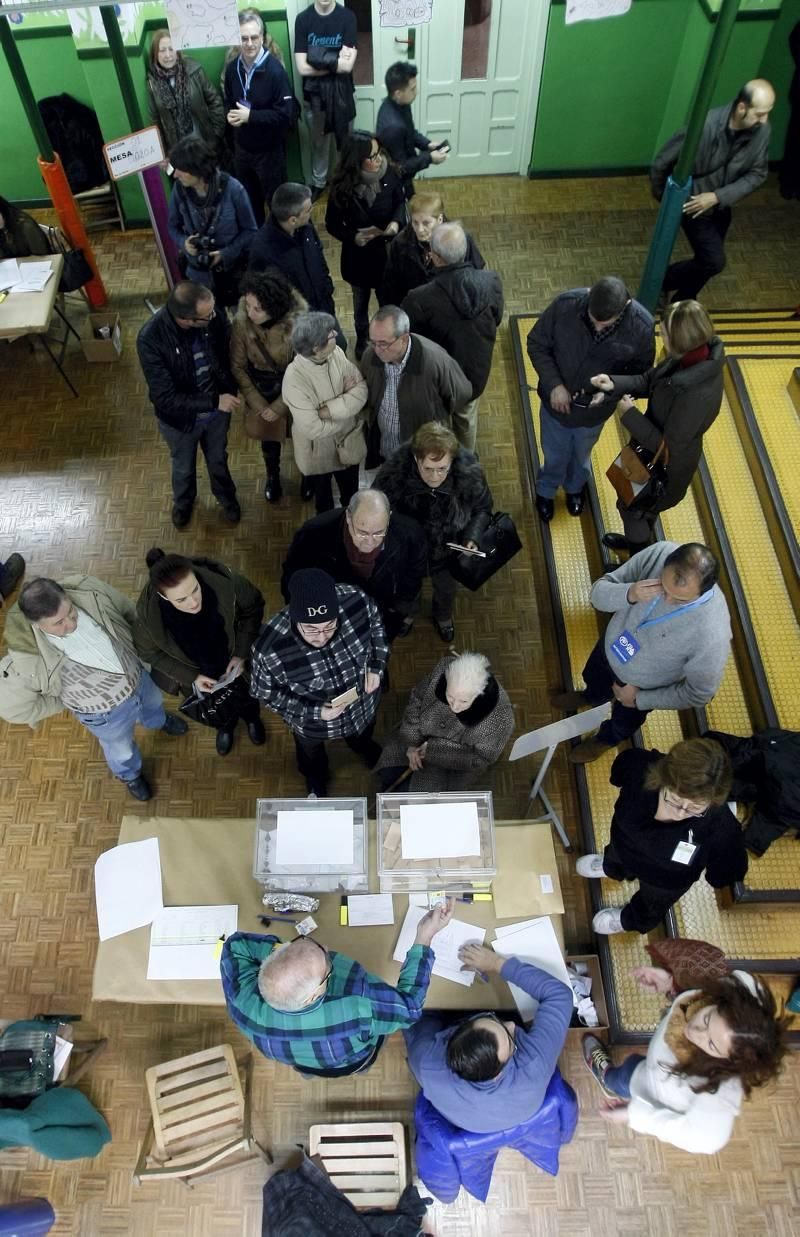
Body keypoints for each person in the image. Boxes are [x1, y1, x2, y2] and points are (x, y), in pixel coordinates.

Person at [0, 576, 187, 800]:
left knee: (154, 704)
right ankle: (130, 775)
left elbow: (128, 611)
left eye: (70, 612)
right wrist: (67, 701)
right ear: (36, 625)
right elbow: (15, 709)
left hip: (139, 679)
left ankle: (159, 721)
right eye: (58, 623)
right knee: (121, 750)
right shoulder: (25, 658)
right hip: (104, 715)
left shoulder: (90, 591)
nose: (71, 623)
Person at [220, 900, 454, 1077]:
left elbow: (235, 945)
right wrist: (424, 936)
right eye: (327, 966)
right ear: (313, 995)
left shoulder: (242, 1003)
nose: (327, 946)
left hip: (304, 1063)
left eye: (305, 944)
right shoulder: (359, 1006)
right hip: (350, 1061)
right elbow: (410, 1007)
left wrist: (284, 958)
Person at [551, 542, 732, 764]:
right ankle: (590, 696)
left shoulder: (712, 633)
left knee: (623, 723)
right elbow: (598, 593)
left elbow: (700, 693)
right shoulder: (660, 553)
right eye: (662, 587)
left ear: (702, 593)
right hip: (609, 648)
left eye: (679, 599)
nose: (666, 600)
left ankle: (606, 740)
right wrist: (629, 592)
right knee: (594, 679)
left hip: (640, 689)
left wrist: (640, 698)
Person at [583, 966, 786, 1154]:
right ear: (720, 1002)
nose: (696, 1032)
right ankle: (615, 1078)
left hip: (651, 1088)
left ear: (729, 1061)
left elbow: (705, 1140)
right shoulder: (735, 992)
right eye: (706, 1019)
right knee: (631, 1066)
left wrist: (634, 1115)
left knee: (621, 1078)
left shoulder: (717, 1091)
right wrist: (672, 987)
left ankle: (607, 1078)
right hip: (649, 1068)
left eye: (711, 1044)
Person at [591, 299, 724, 555]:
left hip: (665, 468)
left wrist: (629, 414)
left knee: (633, 509)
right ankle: (637, 541)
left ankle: (638, 556)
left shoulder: (694, 393)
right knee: (638, 507)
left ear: (681, 339)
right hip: (648, 453)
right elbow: (649, 380)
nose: (659, 334)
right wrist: (614, 383)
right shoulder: (688, 358)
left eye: (663, 332)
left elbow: (667, 448)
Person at [576, 738, 748, 934]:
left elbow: (724, 874)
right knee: (616, 857)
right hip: (624, 846)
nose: (680, 813)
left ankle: (629, 919)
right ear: (663, 778)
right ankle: (611, 868)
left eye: (695, 808)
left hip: (664, 880)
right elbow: (619, 772)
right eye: (674, 799)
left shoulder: (722, 828)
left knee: (651, 906)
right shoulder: (640, 766)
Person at [404, 942, 573, 1133]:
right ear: (498, 1074)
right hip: (511, 1113)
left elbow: (417, 1012)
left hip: (473, 1121)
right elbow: (560, 995)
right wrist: (497, 964)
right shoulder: (534, 1064)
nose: (511, 1025)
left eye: (495, 1020)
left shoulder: (427, 1063)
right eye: (510, 1041)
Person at [250, 568, 389, 797]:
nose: (322, 636)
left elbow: (376, 627)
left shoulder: (357, 600)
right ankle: (315, 777)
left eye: (329, 626)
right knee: (311, 756)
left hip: (362, 705)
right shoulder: (268, 650)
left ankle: (362, 746)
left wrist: (377, 665)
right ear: (294, 617)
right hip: (313, 724)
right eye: (311, 629)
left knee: (363, 736)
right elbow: (267, 694)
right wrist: (315, 711)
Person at [526, 277, 655, 522]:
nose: (596, 327)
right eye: (592, 319)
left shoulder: (642, 327)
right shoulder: (566, 305)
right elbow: (537, 343)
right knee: (554, 453)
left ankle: (575, 488)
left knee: (582, 452)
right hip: (555, 407)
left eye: (603, 324)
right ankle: (546, 490)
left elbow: (642, 376)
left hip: (595, 412)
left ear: (624, 307)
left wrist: (610, 391)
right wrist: (554, 385)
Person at [133, 549, 265, 758]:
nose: (193, 603)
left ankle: (252, 718)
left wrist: (241, 652)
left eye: (195, 589)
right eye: (181, 600)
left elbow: (253, 606)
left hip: (239, 666)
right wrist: (192, 677)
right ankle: (225, 726)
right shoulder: (150, 622)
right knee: (219, 709)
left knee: (249, 698)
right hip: (201, 678)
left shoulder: (224, 582)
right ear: (163, 596)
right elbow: (150, 653)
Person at [652, 79, 775, 302]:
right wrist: (667, 201)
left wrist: (718, 197)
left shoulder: (762, 131)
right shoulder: (705, 126)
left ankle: (684, 298)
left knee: (707, 260)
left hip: (719, 205)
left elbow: (758, 173)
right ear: (741, 108)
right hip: (693, 205)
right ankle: (662, 282)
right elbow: (662, 162)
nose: (764, 120)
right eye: (759, 114)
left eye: (768, 113)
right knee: (713, 261)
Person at [374, 422, 492, 643]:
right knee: (408, 590)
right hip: (408, 554)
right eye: (428, 469)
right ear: (416, 459)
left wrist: (472, 537)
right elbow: (377, 508)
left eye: (442, 469)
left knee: (446, 590)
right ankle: (408, 615)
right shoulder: (393, 477)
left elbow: (483, 509)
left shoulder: (469, 477)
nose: (435, 477)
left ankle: (443, 616)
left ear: (452, 461)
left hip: (448, 554)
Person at [136, 281, 241, 529]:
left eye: (215, 311)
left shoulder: (211, 317)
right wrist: (215, 400)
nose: (215, 317)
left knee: (218, 460)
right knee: (183, 468)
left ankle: (228, 500)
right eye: (208, 316)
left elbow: (228, 347)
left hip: (216, 414)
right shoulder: (150, 339)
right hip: (180, 421)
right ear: (185, 319)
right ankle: (184, 504)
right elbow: (165, 398)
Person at [402, 221, 503, 451]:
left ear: (435, 257)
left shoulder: (418, 299)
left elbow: (413, 346)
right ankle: (466, 458)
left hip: (439, 381)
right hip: (475, 376)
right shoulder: (491, 281)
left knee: (438, 426)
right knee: (466, 419)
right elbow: (496, 318)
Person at [280, 489, 426, 640]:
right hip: (333, 615)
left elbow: (414, 574)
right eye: (362, 532)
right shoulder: (314, 533)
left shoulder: (410, 534)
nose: (370, 542)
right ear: (348, 517)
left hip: (383, 613)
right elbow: (293, 576)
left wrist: (398, 609)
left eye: (378, 533)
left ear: (388, 518)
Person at [375, 652, 514, 791]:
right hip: (416, 736)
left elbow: (481, 759)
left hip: (448, 765)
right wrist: (411, 743)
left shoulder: (499, 718)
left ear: (479, 694)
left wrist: (432, 751)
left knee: (409, 797)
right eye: (450, 696)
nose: (454, 706)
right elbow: (417, 698)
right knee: (387, 773)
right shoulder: (442, 671)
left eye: (463, 701)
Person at [325, 131, 406, 356]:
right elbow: (332, 224)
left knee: (387, 304)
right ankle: (362, 340)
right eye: (372, 156)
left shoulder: (390, 173)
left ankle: (387, 341)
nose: (379, 159)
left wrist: (395, 223)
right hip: (358, 259)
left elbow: (401, 201)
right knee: (360, 305)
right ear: (356, 160)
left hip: (386, 256)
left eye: (379, 152)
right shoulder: (342, 188)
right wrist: (353, 237)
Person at [230, 268, 307, 502]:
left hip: (295, 391)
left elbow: (306, 369)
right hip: (261, 390)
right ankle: (273, 475)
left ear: (274, 307)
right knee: (269, 441)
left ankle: (307, 474)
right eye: (249, 305)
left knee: (303, 436)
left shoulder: (299, 325)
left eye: (258, 309)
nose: (250, 312)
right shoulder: (242, 324)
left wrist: (279, 407)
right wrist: (259, 404)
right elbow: (238, 367)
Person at [281, 311, 368, 513]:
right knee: (324, 503)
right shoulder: (294, 380)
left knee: (351, 497)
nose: (336, 334)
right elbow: (313, 428)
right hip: (317, 453)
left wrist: (328, 410)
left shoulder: (336, 352)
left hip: (348, 443)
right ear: (315, 349)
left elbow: (361, 390)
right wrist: (348, 411)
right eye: (330, 334)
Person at [361, 306, 472, 462]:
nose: (377, 350)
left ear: (404, 339)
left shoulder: (436, 362)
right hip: (386, 447)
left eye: (384, 344)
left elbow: (461, 396)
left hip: (423, 452)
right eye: (373, 342)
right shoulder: (370, 356)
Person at [223, 9, 295, 226]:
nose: (249, 43)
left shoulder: (275, 71)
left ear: (262, 37)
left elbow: (285, 114)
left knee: (277, 205)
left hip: (269, 153)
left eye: (254, 37)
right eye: (244, 38)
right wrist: (230, 116)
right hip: (242, 151)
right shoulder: (231, 69)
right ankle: (258, 245)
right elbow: (228, 100)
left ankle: (280, 245)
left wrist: (250, 116)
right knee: (250, 204)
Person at [167, 136, 257, 307]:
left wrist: (225, 253)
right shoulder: (179, 190)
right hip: (198, 274)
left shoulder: (233, 189)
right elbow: (172, 226)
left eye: (181, 169)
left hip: (232, 272)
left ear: (197, 170)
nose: (175, 174)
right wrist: (183, 243)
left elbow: (251, 231)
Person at [293, 0, 357, 201]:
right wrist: (335, 61)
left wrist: (316, 57)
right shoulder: (303, 20)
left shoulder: (347, 17)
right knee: (319, 144)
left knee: (344, 144)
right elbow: (301, 68)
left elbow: (347, 67)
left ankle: (345, 183)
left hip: (342, 96)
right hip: (315, 99)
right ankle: (319, 183)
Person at [379, 190, 484, 307]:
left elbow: (476, 275)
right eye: (415, 222)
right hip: (416, 310)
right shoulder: (400, 244)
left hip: (450, 308)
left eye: (426, 223)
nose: (419, 229)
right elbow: (390, 285)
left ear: (440, 219)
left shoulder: (460, 239)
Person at [248, 182, 337, 319]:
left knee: (339, 342)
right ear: (293, 220)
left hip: (325, 308)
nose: (312, 211)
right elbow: (264, 294)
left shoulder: (306, 226)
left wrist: (327, 288)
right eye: (308, 210)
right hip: (298, 322)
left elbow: (319, 257)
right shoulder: (262, 249)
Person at [145, 30, 225, 158]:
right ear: (155, 54)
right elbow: (155, 121)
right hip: (179, 150)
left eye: (171, 49)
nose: (167, 55)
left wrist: (216, 134)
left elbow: (214, 101)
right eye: (162, 50)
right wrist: (164, 153)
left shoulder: (194, 69)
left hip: (205, 142)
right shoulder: (152, 83)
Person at [376, 62, 449, 196]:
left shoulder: (400, 104)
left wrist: (427, 144)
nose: (417, 91)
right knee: (406, 212)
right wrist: (429, 158)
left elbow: (410, 132)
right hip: (394, 184)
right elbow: (400, 167)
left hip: (404, 177)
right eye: (413, 89)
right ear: (398, 93)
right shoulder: (393, 127)